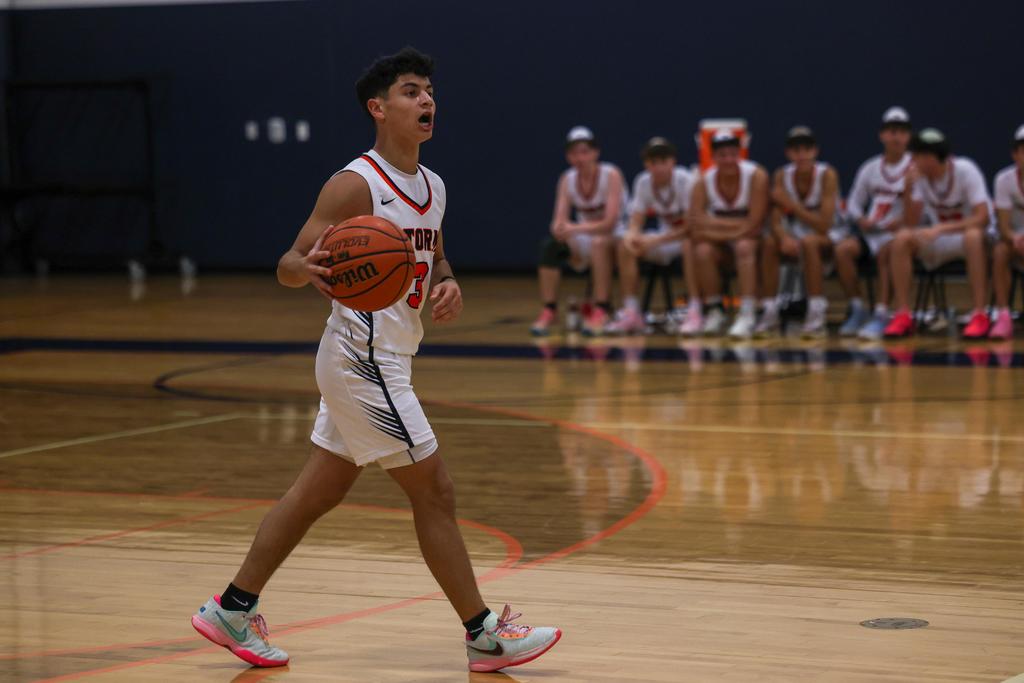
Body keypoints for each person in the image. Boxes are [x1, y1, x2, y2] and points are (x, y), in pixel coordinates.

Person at [190, 47, 561, 674]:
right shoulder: (354, 183)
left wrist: (447, 280)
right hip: (361, 357)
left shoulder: (433, 185)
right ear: (378, 108)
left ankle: (231, 608)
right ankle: (483, 634)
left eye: (430, 91)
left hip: (388, 356)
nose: (427, 100)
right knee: (435, 491)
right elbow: (289, 262)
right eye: (412, 91)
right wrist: (304, 270)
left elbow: (434, 254)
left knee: (317, 492)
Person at [885, 128, 993, 338]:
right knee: (901, 239)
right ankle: (903, 314)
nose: (914, 161)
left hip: (968, 238)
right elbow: (910, 223)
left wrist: (942, 228)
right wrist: (907, 190)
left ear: (932, 157)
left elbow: (982, 218)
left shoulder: (966, 170)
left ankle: (979, 313)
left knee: (973, 236)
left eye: (918, 155)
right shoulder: (918, 177)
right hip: (939, 238)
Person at [531, 126, 626, 336]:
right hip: (585, 236)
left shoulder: (611, 174)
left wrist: (573, 227)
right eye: (574, 153)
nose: (579, 158)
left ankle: (602, 308)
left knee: (599, 243)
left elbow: (610, 222)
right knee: (551, 246)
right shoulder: (567, 179)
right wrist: (559, 229)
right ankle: (549, 308)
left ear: (595, 152)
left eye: (584, 152)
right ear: (568, 156)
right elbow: (559, 219)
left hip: (616, 237)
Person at [757, 126, 845, 337]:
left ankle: (816, 312)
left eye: (807, 149)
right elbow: (775, 218)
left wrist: (792, 205)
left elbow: (824, 224)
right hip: (797, 233)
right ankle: (770, 310)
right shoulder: (781, 175)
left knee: (809, 242)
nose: (802, 155)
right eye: (796, 150)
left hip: (832, 234)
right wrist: (783, 238)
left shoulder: (827, 174)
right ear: (788, 153)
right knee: (769, 243)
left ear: (815, 151)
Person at [834, 107, 913, 339]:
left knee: (886, 254)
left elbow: (923, 207)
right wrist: (860, 219)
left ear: (908, 136)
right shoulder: (870, 167)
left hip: (898, 235)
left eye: (901, 132)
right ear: (882, 135)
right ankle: (858, 308)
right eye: (891, 131)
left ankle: (881, 314)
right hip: (872, 233)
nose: (896, 137)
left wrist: (901, 222)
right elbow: (854, 202)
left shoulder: (915, 168)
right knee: (842, 250)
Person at [609, 136, 698, 335]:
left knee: (690, 244)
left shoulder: (686, 180)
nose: (658, 167)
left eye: (663, 161)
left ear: (673, 161)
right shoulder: (643, 181)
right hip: (664, 239)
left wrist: (654, 240)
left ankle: (694, 310)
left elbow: (691, 227)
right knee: (625, 246)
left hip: (685, 239)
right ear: (646, 164)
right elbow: (636, 220)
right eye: (653, 162)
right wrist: (633, 235)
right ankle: (632, 312)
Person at [689, 128, 769, 339]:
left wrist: (713, 224)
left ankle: (747, 312)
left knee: (744, 246)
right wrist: (738, 227)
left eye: (733, 154)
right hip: (725, 245)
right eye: (722, 155)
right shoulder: (703, 181)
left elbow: (755, 224)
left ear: (740, 154)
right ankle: (715, 309)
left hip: (756, 243)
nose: (728, 160)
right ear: (713, 157)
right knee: (702, 250)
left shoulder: (756, 175)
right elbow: (696, 226)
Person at [989, 124, 1024, 339]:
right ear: (1015, 154)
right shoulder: (1004, 180)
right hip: (1013, 240)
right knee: (1000, 251)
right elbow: (1003, 226)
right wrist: (1016, 238)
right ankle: (1003, 316)